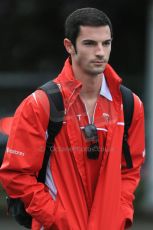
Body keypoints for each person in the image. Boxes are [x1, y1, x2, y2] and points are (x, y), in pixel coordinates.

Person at [0, 7, 145, 230]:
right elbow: (16, 175)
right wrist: (57, 218)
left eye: (106, 43)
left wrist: (120, 214)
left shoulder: (130, 104)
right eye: (90, 43)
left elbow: (130, 169)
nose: (100, 52)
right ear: (69, 46)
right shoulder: (39, 104)